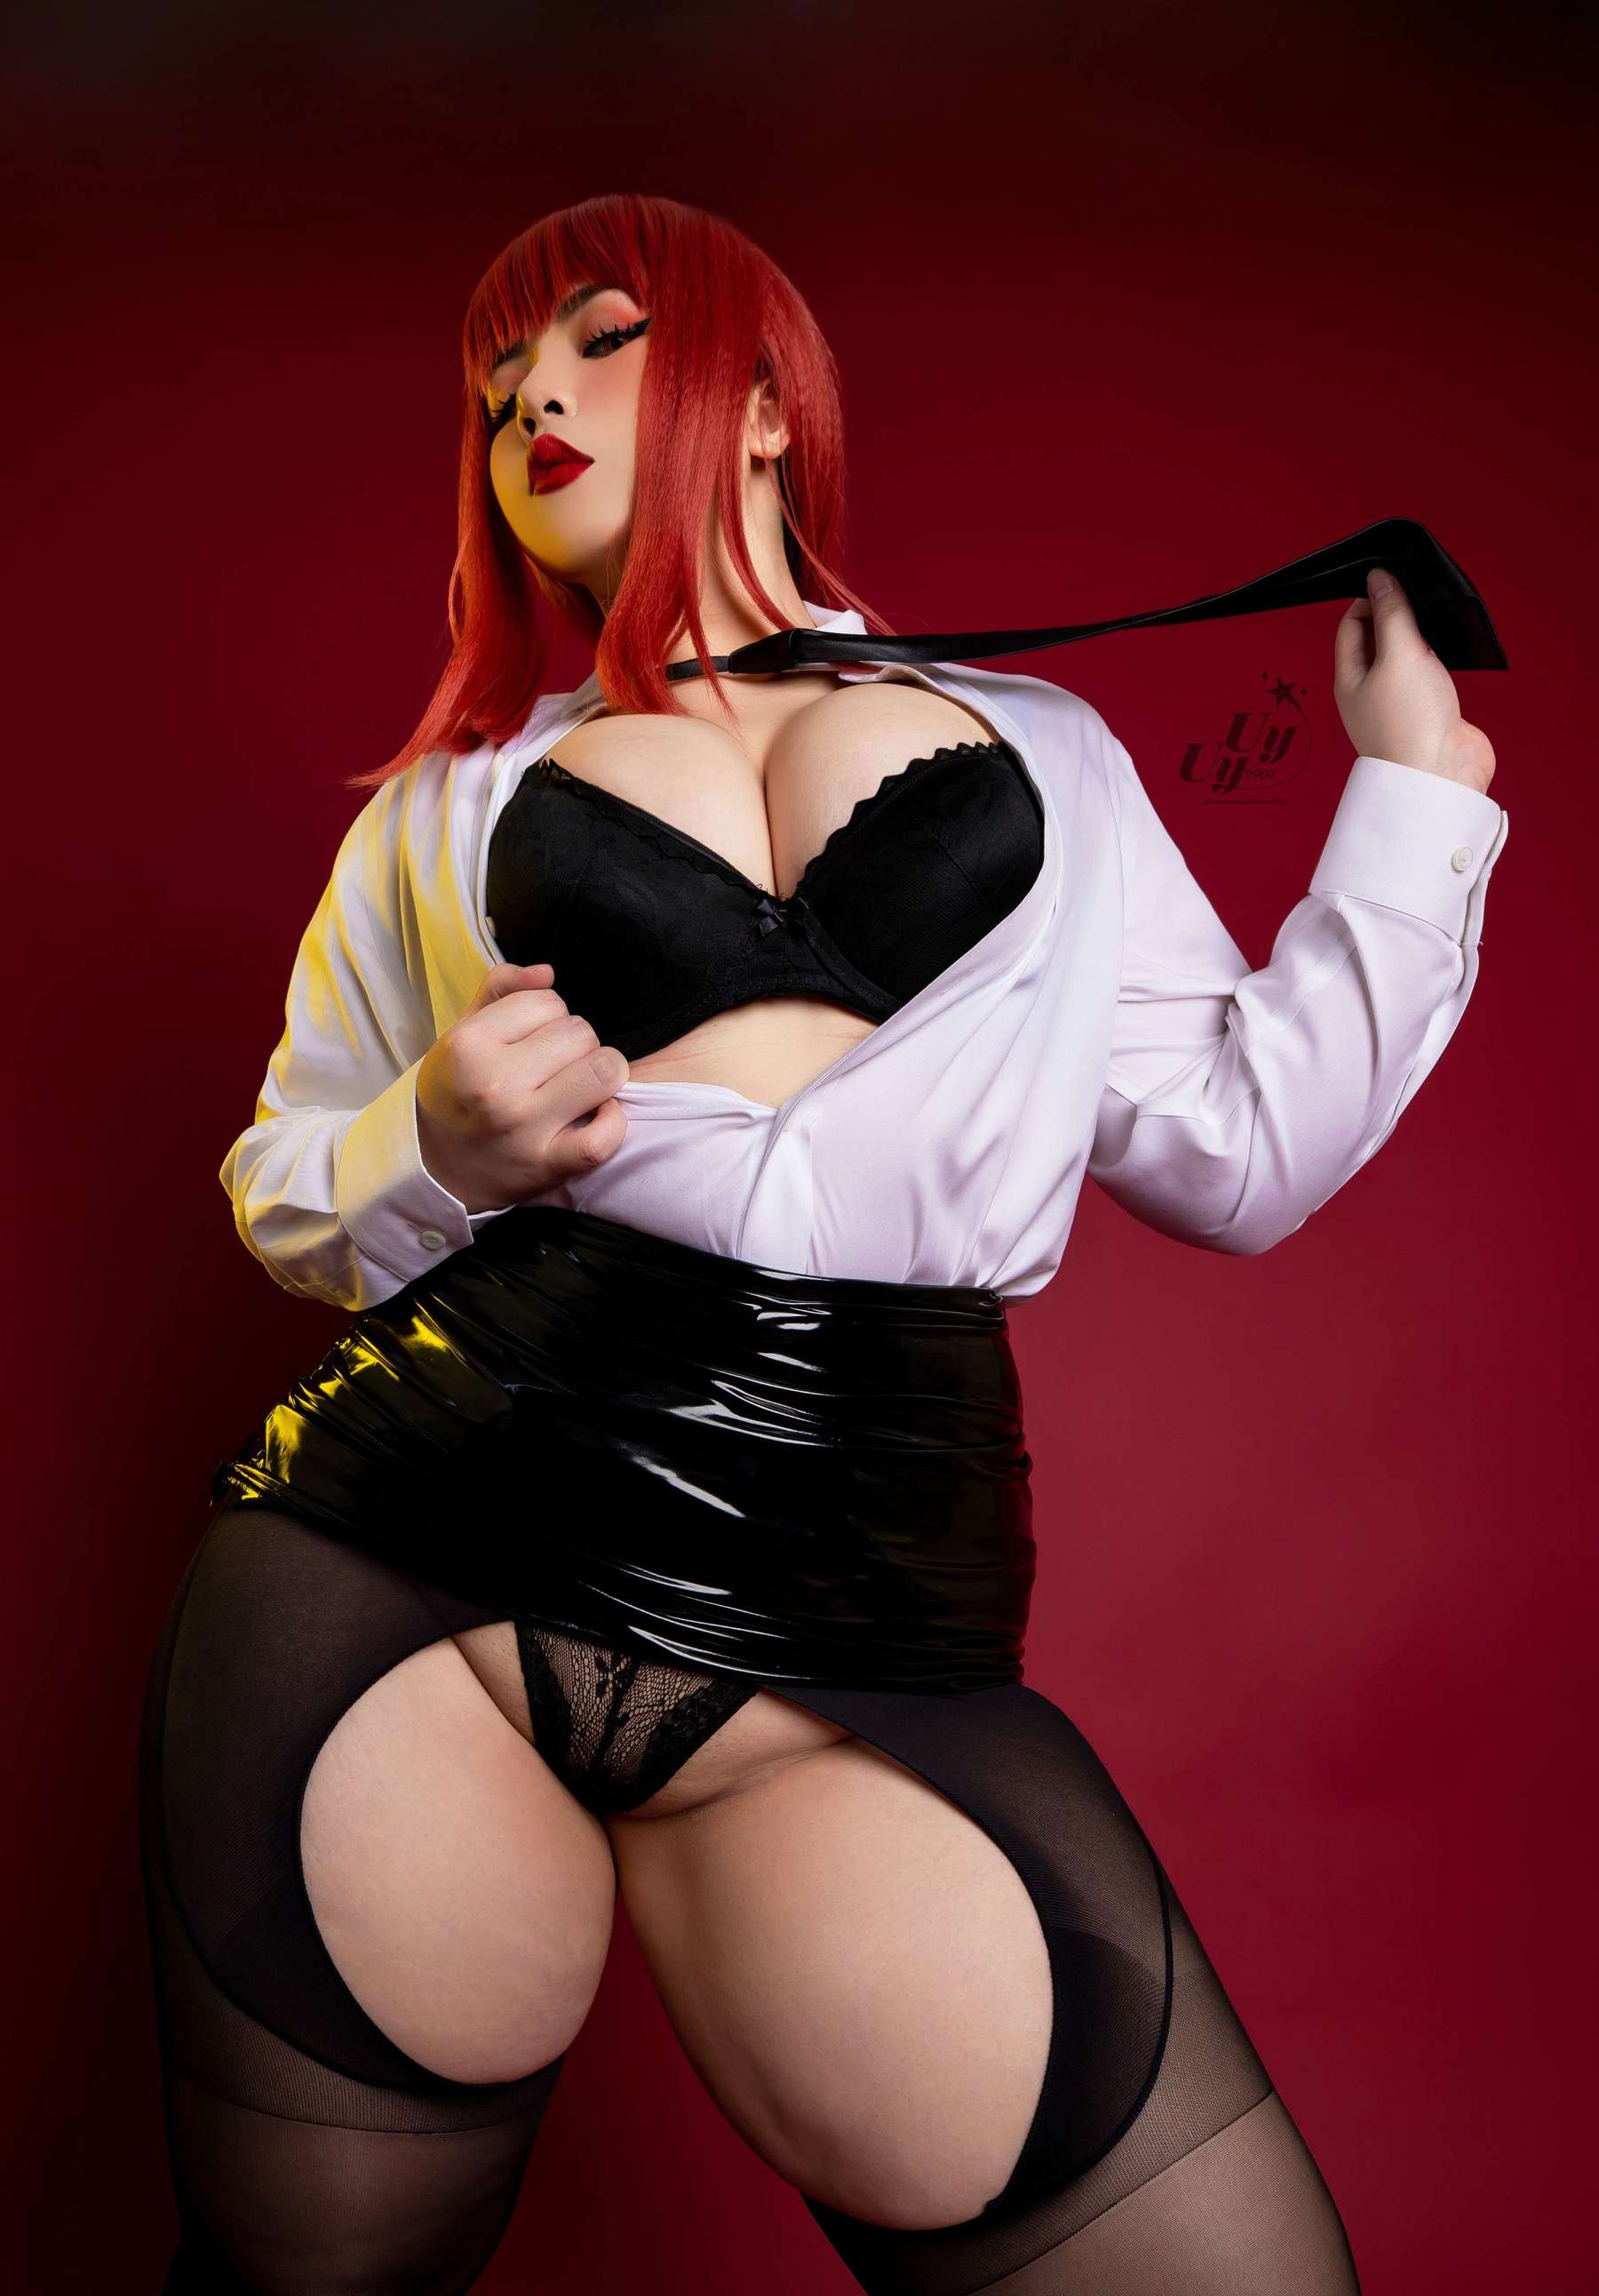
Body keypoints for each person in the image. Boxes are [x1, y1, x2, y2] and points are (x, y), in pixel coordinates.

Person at [139, 191, 1506, 2294]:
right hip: (411, 1591)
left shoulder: (1053, 753)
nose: (534, 406)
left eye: (598, 342)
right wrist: (438, 1139)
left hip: (861, 1627)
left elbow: (1242, 1153)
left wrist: (1417, 792)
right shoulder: (440, 811)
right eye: (497, 390)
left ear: (767, 405)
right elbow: (286, 1187)